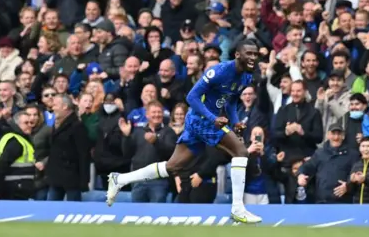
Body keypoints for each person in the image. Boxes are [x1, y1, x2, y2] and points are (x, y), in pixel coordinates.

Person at [107, 40, 262, 223]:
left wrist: (235, 123)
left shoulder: (245, 77)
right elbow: (191, 97)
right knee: (241, 152)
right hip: (201, 120)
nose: (253, 58)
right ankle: (237, 208)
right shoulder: (219, 71)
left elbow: (230, 101)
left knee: (173, 166)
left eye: (255, 54)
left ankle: (120, 179)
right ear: (237, 55)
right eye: (249, 54)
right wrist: (213, 119)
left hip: (206, 121)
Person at [0, 111, 36, 200]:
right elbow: (1, 166)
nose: (29, 125)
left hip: (18, 188)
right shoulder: (16, 142)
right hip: (14, 190)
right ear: (17, 125)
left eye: (31, 123)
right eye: (26, 123)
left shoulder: (22, 140)